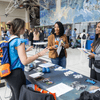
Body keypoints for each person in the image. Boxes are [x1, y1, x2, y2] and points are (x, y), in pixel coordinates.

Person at [5, 18, 48, 100]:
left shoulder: (10, 39)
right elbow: (24, 61)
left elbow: (13, 54)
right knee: (20, 97)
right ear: (20, 28)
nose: (25, 29)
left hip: (9, 73)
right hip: (16, 74)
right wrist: (39, 54)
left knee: (14, 96)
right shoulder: (19, 41)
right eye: (24, 27)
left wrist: (25, 50)